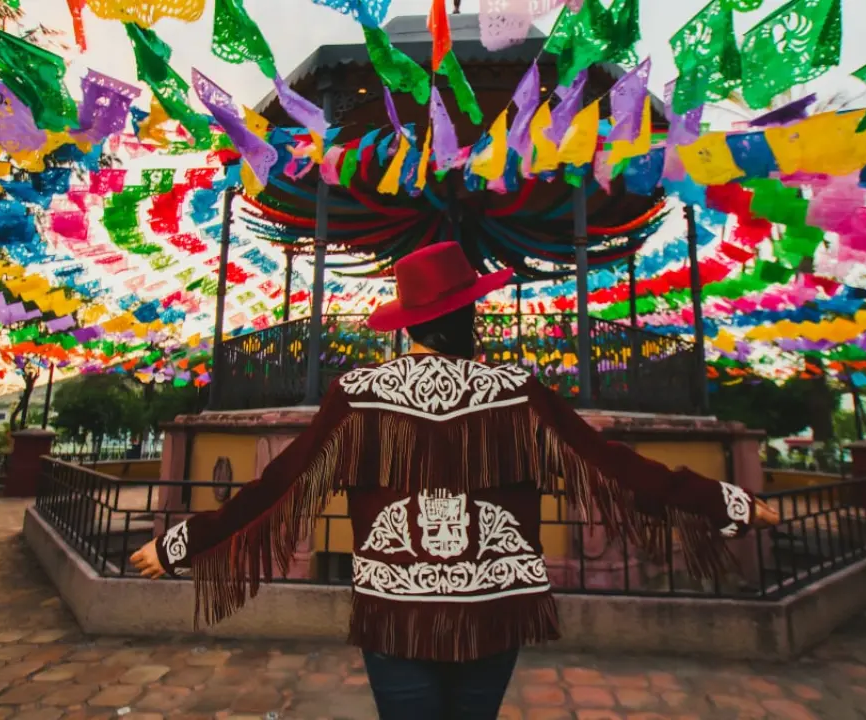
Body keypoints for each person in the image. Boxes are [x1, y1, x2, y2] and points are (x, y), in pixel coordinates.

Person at [132, 242, 779, 720]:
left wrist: (182, 544)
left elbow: (278, 484)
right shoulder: (517, 392)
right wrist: (725, 501)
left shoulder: (359, 394)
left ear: (408, 322)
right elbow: (614, 468)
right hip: (494, 609)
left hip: (396, 612)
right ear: (470, 315)